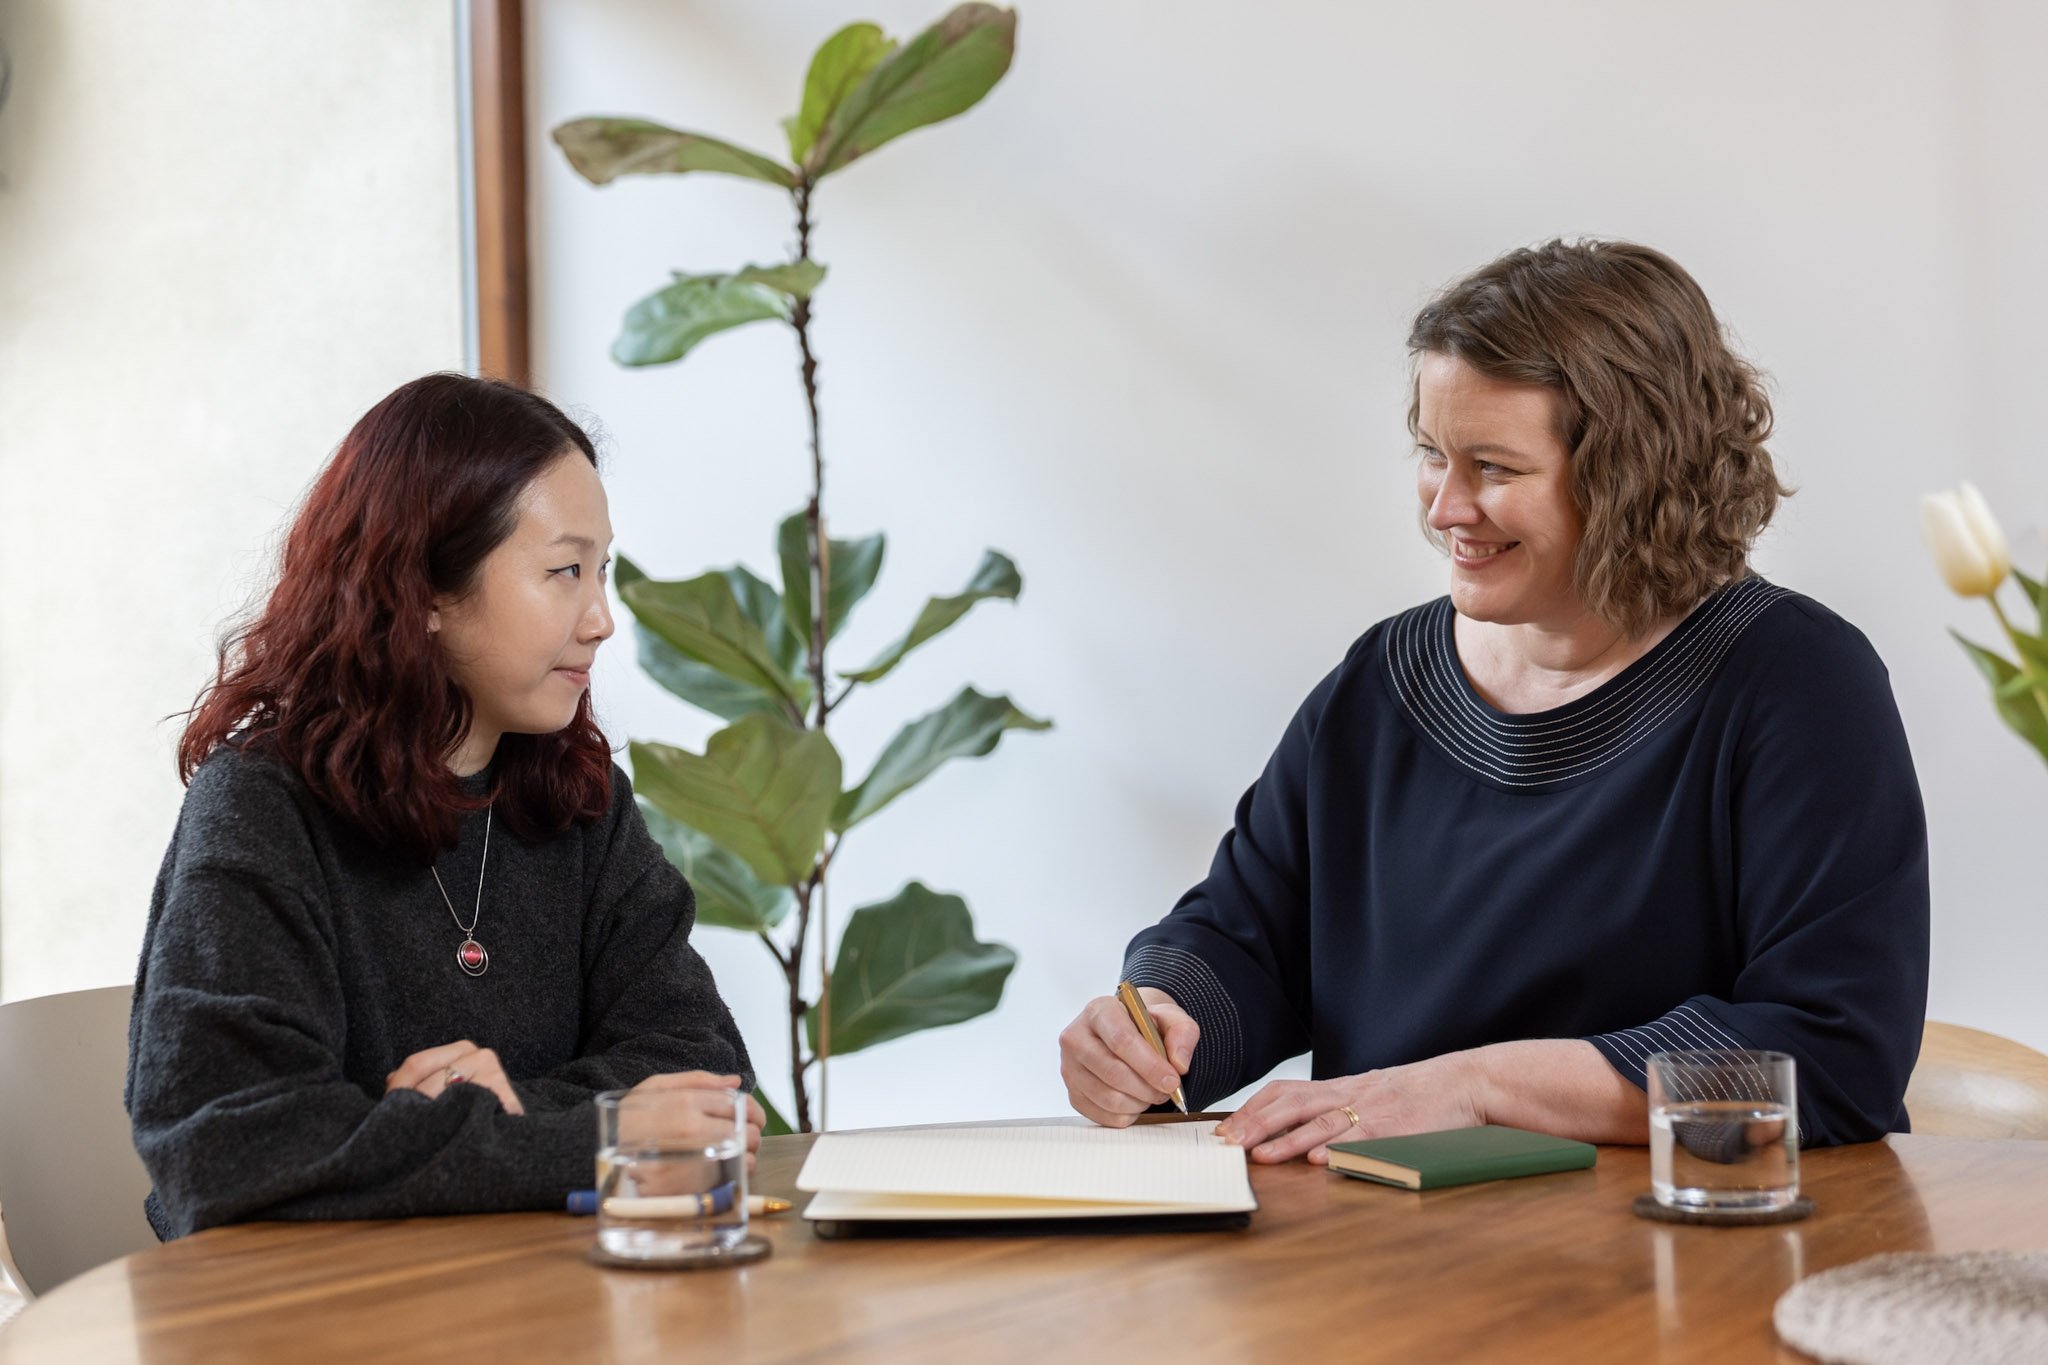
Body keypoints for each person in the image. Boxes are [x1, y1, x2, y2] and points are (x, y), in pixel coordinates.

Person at [1058, 239, 1929, 1164]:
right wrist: (1157, 1026)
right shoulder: (1380, 681)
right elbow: (1248, 941)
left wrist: (1471, 1089)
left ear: (1632, 476)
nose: (1444, 507)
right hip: (1387, 1251)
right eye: (1433, 454)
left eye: (1496, 468)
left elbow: (1831, 1055)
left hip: (1679, 1257)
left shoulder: (1797, 683)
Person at [127, 373, 760, 1238]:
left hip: (531, 1301)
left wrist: (440, 1126)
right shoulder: (260, 806)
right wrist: (601, 1135)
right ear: (424, 589)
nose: (603, 617)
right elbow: (225, 1149)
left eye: (601, 570)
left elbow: (703, 1074)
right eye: (565, 570)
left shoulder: (579, 799)